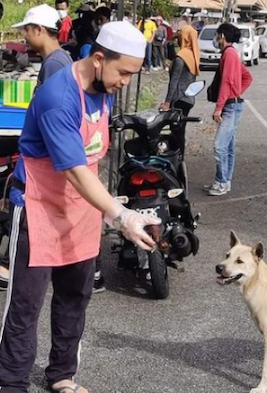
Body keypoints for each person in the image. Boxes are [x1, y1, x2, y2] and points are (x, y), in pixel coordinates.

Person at [0, 22, 158, 393]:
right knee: (25, 304)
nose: (125, 83)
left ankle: (61, 376)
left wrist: (106, 206)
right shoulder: (59, 96)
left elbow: (90, 160)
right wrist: (121, 217)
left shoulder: (104, 87)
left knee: (75, 295)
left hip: (82, 206)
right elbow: (72, 170)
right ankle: (10, 383)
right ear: (99, 59)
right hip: (40, 203)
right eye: (123, 73)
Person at [0, 4, 74, 292]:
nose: (26, 38)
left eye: (28, 32)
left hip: (38, 170)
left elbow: (55, 118)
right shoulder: (59, 59)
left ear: (39, 30)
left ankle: (17, 266)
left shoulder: (55, 64)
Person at [204, 23, 252, 196]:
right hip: (233, 103)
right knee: (228, 145)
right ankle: (221, 181)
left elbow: (226, 83)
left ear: (222, 36)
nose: (215, 38)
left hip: (230, 106)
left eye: (217, 35)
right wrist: (237, 91)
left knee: (219, 146)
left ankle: (223, 182)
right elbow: (247, 76)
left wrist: (219, 107)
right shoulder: (230, 53)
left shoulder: (229, 54)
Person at [160, 25, 200, 154]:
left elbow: (174, 82)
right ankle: (180, 160)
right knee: (181, 131)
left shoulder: (181, 57)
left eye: (180, 36)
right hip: (188, 99)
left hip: (178, 99)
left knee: (176, 132)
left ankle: (176, 159)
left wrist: (167, 102)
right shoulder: (193, 55)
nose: (178, 39)